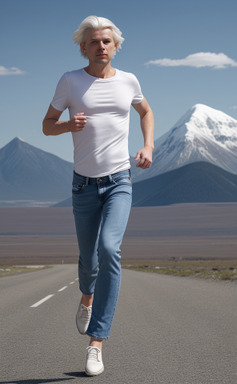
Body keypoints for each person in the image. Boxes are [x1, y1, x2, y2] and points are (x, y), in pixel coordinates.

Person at [42, 15, 154, 376]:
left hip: (120, 179)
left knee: (109, 249)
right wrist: (66, 125)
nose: (101, 46)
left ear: (116, 46)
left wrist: (148, 145)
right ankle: (86, 296)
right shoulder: (70, 81)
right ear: (83, 47)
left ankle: (96, 342)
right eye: (94, 41)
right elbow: (46, 125)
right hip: (83, 185)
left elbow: (146, 110)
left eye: (107, 41)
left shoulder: (129, 81)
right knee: (88, 261)